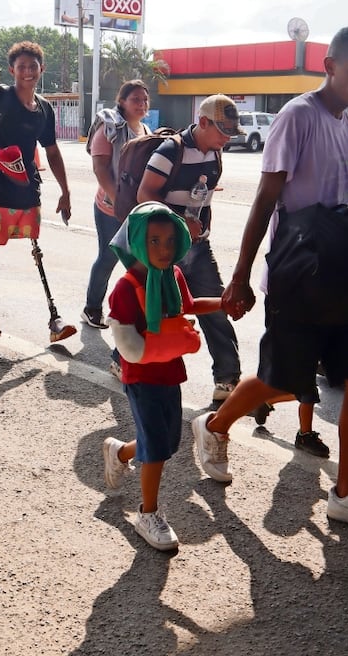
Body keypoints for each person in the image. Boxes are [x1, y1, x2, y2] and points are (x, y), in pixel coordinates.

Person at [192, 26, 348, 539]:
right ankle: (215, 425)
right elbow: (267, 200)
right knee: (284, 381)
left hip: (346, 274)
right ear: (330, 65)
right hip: (298, 274)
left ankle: (347, 494)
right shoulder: (299, 116)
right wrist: (240, 276)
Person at [101, 202, 223, 550]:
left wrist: (222, 302)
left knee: (167, 443)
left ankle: (121, 453)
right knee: (156, 449)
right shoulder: (125, 289)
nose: (164, 249)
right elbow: (128, 345)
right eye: (154, 241)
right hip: (141, 378)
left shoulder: (173, 276)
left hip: (171, 372)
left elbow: (186, 306)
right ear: (138, 241)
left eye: (170, 240)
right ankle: (148, 513)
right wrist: (158, 346)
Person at [0, 42, 73, 339]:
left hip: (26, 186)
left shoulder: (44, 109)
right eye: (21, 67)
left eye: (32, 66)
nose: (27, 71)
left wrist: (65, 190)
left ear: (41, 69)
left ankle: (53, 318)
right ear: (12, 70)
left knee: (35, 245)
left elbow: (52, 151)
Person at [137, 93, 244, 406]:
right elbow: (145, 196)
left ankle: (227, 380)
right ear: (203, 121)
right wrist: (182, 220)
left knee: (217, 309)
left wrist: (197, 227)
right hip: (166, 252)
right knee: (154, 310)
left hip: (199, 247)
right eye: (222, 132)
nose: (226, 139)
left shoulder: (214, 155)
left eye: (230, 133)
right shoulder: (171, 151)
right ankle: (124, 357)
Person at [82, 79, 151, 329]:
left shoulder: (145, 131)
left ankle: (134, 313)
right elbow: (100, 169)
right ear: (122, 101)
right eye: (135, 99)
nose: (141, 104)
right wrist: (122, 205)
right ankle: (92, 308)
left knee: (139, 262)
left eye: (144, 100)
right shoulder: (110, 128)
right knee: (108, 257)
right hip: (110, 209)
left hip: (136, 210)